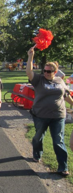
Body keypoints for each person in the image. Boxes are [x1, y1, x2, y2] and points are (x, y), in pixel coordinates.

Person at [26, 47, 73, 176]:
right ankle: (37, 153)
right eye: (45, 71)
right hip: (40, 115)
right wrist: (31, 56)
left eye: (49, 71)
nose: (46, 73)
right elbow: (29, 71)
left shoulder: (60, 81)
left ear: (55, 71)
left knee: (58, 140)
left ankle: (63, 167)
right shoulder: (39, 79)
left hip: (58, 115)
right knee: (38, 137)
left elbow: (66, 95)